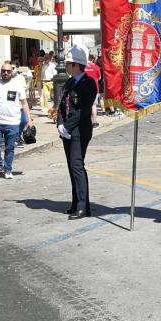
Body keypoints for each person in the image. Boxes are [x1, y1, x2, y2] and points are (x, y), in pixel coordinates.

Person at [56, 46, 98, 219]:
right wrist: (60, 124)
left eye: (68, 64)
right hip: (67, 130)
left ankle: (83, 206)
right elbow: (61, 104)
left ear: (76, 65)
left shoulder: (88, 83)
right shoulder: (70, 82)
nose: (65, 67)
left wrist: (67, 126)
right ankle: (75, 204)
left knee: (77, 166)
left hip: (79, 130)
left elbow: (82, 110)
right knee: (72, 168)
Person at [0, 61, 33, 180]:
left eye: (8, 71)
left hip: (13, 122)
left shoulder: (17, 85)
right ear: (0, 71)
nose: (5, 73)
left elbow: (24, 103)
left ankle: (8, 169)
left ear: (12, 72)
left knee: (9, 148)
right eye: (3, 71)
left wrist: (29, 119)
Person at [84, 54, 102, 128]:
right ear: (93, 60)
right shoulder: (96, 67)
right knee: (93, 105)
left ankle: (87, 122)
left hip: (85, 88)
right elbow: (99, 78)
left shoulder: (84, 67)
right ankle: (94, 122)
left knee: (86, 106)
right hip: (94, 89)